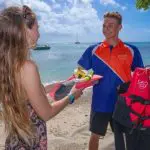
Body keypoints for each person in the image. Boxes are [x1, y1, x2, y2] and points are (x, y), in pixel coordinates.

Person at [0, 5, 83, 149]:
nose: (39, 34)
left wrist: (50, 87)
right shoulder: (27, 67)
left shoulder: (6, 64)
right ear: (25, 31)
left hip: (15, 140)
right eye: (37, 28)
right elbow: (47, 113)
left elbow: (23, 96)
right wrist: (71, 96)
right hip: (31, 142)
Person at [77, 11, 144, 150]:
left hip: (123, 103)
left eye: (111, 25)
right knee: (94, 136)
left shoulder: (131, 50)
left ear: (120, 27)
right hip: (100, 103)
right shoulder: (93, 50)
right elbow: (79, 72)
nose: (106, 28)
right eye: (104, 25)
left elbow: (140, 77)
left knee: (126, 138)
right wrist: (89, 79)